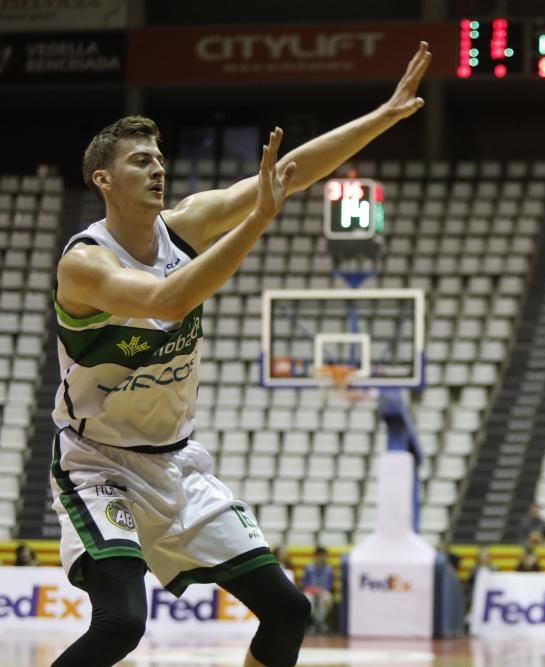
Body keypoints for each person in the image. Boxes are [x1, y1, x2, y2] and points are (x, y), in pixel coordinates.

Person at [48, 42, 432, 667]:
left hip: (177, 465)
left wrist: (385, 113)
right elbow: (171, 301)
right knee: (120, 623)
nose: (158, 169)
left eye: (160, 159)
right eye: (140, 160)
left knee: (289, 611)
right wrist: (256, 221)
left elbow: (290, 173)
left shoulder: (186, 224)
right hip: (100, 465)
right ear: (103, 179)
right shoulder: (84, 264)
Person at [300, 546, 335, 634]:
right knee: (307, 599)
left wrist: (321, 590)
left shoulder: (329, 569)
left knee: (326, 599)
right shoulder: (309, 568)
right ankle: (318, 623)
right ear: (316, 556)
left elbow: (330, 585)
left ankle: (316, 623)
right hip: (310, 591)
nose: (322, 558)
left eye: (324, 556)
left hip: (323, 592)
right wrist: (311, 589)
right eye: (320, 556)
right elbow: (304, 583)